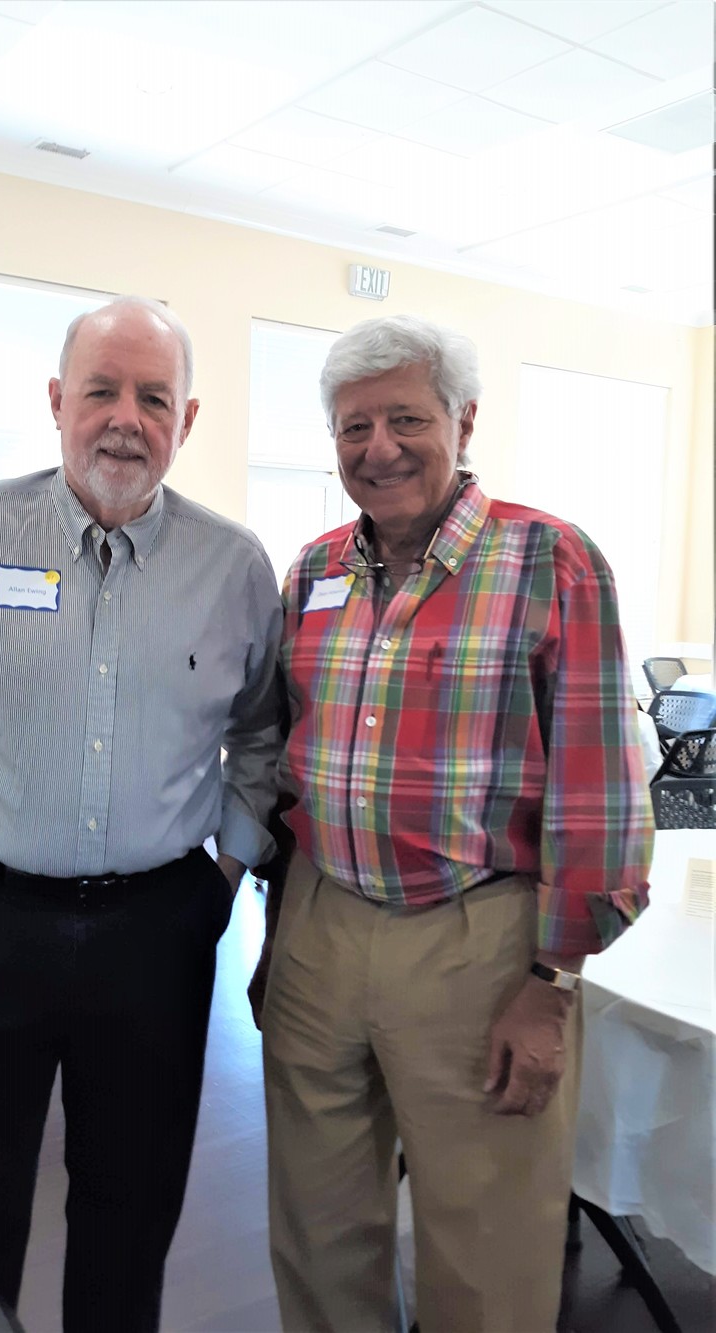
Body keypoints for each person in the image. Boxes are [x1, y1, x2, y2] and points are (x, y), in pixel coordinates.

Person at [0, 296, 284, 1330]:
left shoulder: (235, 567)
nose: (126, 418)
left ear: (187, 419)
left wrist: (223, 874)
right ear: (55, 401)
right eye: (101, 391)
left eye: (154, 398)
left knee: (132, 1209)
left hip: (156, 932)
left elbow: (262, 732)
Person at [249, 314, 654, 1333]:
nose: (378, 448)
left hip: (479, 939)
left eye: (406, 419)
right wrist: (275, 931)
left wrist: (551, 985)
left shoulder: (551, 561)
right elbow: (283, 761)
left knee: (485, 1247)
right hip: (320, 922)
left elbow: (601, 796)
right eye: (353, 427)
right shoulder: (312, 571)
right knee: (315, 1229)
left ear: (462, 422)